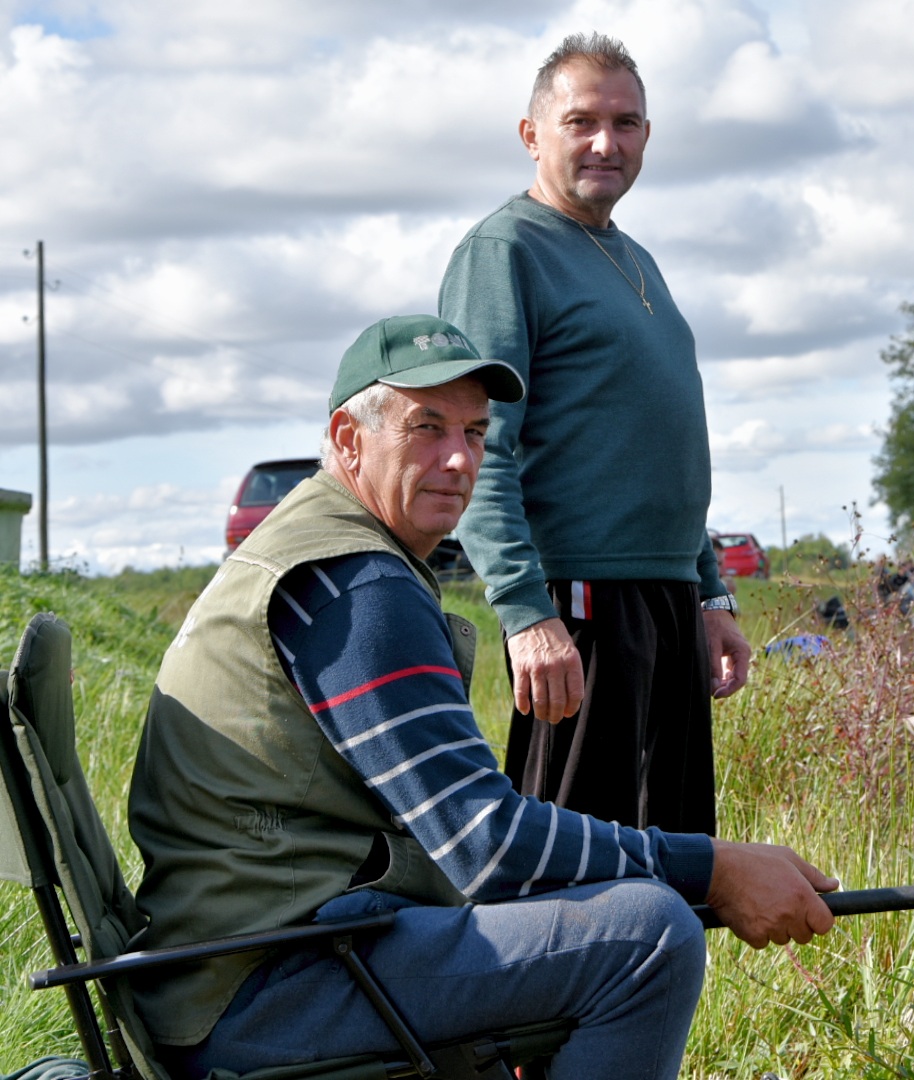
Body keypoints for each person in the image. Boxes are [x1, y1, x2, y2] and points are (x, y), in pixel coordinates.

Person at [126, 315, 836, 1080]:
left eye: (475, 431)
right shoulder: (357, 586)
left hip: (238, 968)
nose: (460, 458)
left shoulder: (316, 548)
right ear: (348, 437)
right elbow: (484, 846)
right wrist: (711, 868)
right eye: (426, 428)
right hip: (265, 990)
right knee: (651, 933)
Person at [439, 32, 741, 836]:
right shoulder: (505, 252)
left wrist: (708, 588)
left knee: (673, 852)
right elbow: (476, 449)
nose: (607, 142)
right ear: (532, 134)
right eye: (582, 121)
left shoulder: (634, 256)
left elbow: (658, 445)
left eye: (629, 123)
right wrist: (525, 613)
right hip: (578, 606)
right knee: (573, 867)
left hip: (666, 602)